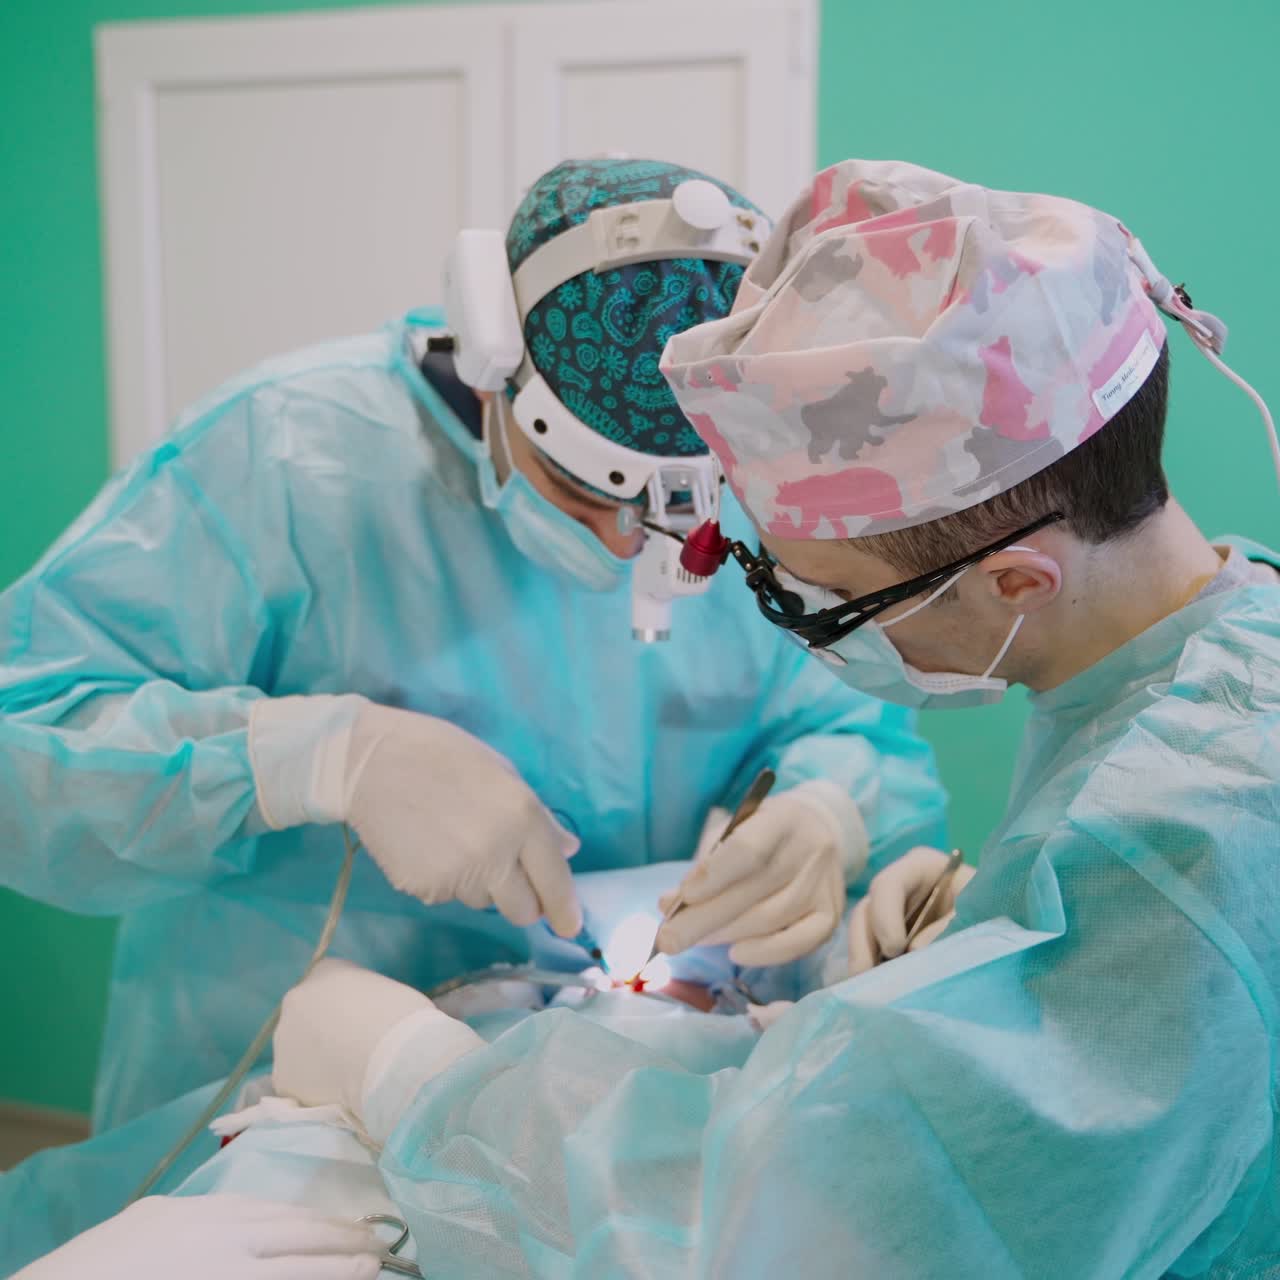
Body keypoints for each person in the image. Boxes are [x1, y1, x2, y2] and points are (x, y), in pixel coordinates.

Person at [237, 160, 1280, 1278]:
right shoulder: (1209, 655)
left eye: (816, 599)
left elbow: (758, 1237)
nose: (804, 632)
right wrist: (980, 947)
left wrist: (406, 1070)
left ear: (1014, 583)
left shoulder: (1181, 842)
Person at [0, 155, 947, 1144]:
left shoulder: (761, 468)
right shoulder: (282, 454)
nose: (633, 545)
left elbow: (842, 713)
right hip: (281, 1093)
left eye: (680, 509)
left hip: (589, 1105)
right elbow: (24, 734)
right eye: (587, 493)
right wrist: (318, 756)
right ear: (496, 363)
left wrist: (827, 802)